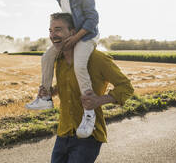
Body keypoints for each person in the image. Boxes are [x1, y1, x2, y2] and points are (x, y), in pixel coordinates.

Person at [23, 0, 100, 138]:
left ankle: (90, 113)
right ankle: (46, 97)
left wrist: (75, 38)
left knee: (79, 66)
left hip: (86, 36)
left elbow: (92, 20)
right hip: (70, 36)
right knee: (47, 57)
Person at [43, 12, 134, 162]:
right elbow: (65, 84)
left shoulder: (97, 59)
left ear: (73, 32)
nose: (53, 35)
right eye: (50, 31)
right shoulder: (58, 60)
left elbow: (126, 86)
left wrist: (100, 100)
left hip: (88, 136)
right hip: (63, 132)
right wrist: (51, 91)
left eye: (58, 29)